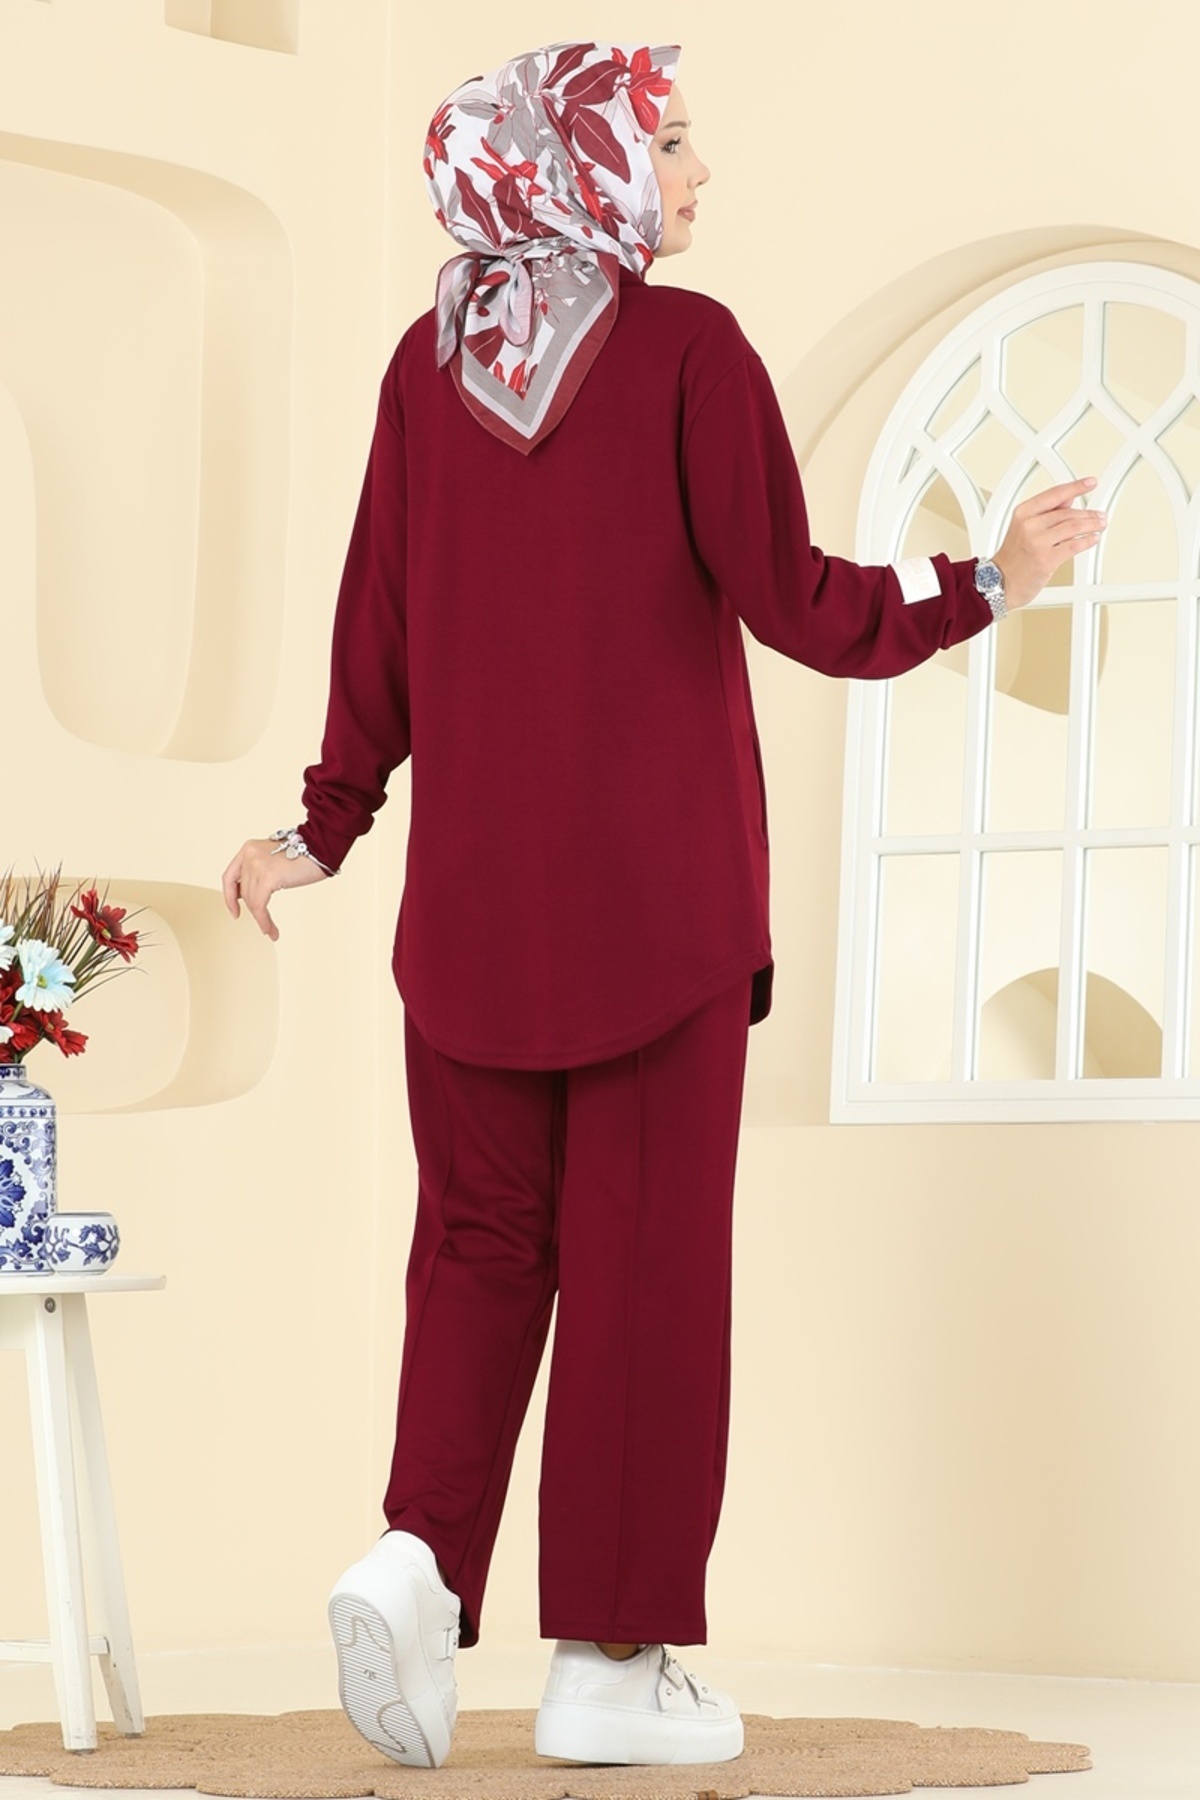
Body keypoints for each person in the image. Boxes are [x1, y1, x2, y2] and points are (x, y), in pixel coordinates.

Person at [221, 38, 1107, 1772]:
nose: (699, 173)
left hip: (468, 929)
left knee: (477, 1256)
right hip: (659, 921)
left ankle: (414, 1565)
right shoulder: (692, 352)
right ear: (586, 170)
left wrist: (323, 827)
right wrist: (988, 582)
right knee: (643, 1277)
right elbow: (795, 597)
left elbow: (375, 616)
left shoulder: (425, 368)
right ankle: (612, 1673)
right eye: (673, 142)